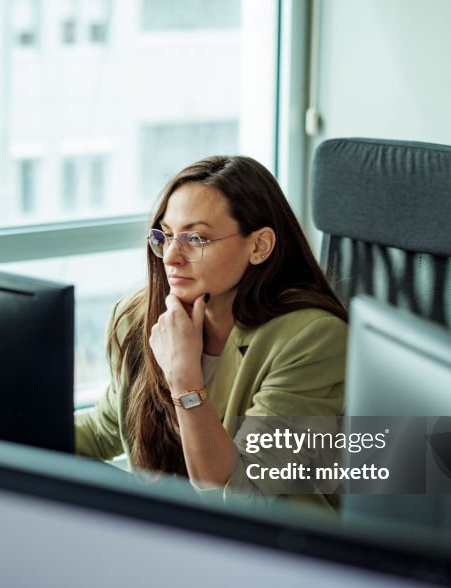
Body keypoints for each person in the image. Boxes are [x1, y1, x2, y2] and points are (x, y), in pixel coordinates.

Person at [75, 155, 348, 508]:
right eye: (167, 236)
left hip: (274, 548)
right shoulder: (140, 320)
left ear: (259, 246)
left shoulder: (311, 339)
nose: (171, 257)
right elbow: (102, 431)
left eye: (197, 239)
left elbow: (242, 491)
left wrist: (184, 379)